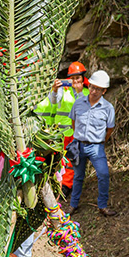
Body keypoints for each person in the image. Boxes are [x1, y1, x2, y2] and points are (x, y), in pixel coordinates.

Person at [34, 61, 89, 197]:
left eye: (78, 77)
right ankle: (55, 185)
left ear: (82, 77)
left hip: (76, 134)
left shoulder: (87, 92)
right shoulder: (63, 90)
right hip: (60, 134)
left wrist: (78, 92)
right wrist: (54, 90)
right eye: (72, 77)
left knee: (72, 161)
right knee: (58, 160)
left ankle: (66, 186)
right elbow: (54, 101)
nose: (75, 80)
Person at [67, 70, 117, 217]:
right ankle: (73, 205)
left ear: (104, 91)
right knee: (78, 176)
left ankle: (102, 206)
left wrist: (101, 142)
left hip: (96, 146)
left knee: (103, 174)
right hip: (78, 145)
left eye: (98, 89)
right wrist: (79, 137)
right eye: (92, 87)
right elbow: (73, 122)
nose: (94, 91)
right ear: (89, 85)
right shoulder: (78, 103)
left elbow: (110, 128)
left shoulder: (108, 108)